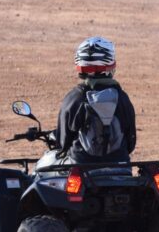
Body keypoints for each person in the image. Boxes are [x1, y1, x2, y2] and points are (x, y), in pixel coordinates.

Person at [56, 36, 137, 164]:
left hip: (81, 169)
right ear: (110, 64)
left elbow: (63, 143)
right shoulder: (122, 98)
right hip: (120, 168)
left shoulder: (74, 98)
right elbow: (131, 142)